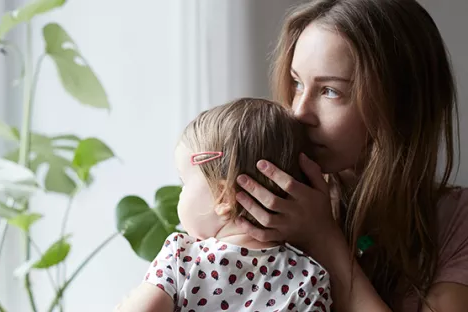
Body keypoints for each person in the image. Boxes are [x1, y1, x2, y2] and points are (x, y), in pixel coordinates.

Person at [232, 0, 468, 311]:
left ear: (401, 105)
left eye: (331, 91)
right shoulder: (267, 201)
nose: (299, 112)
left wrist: (323, 240)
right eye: (297, 83)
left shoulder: (456, 224)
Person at [115, 98, 332, 311]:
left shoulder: (182, 256)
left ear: (223, 196)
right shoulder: (310, 279)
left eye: (184, 182)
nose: (180, 194)